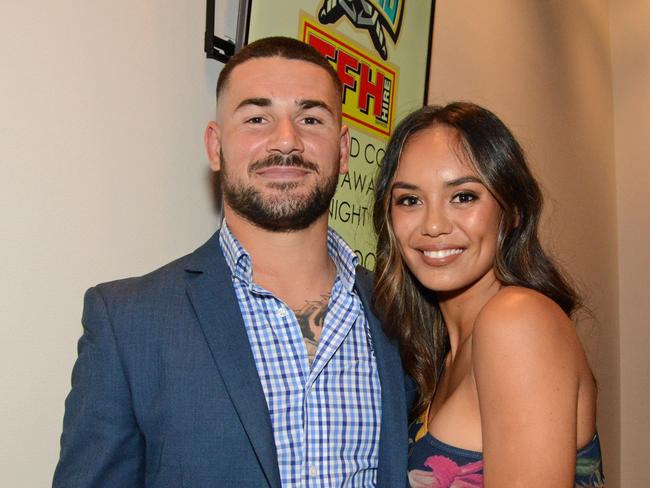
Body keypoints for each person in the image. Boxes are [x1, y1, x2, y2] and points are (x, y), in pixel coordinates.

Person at [53, 36, 412, 488]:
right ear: (215, 146)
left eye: (310, 118)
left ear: (342, 149)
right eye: (257, 118)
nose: (287, 139)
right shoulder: (128, 322)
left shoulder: (401, 311)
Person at [372, 102, 604, 487]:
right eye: (410, 200)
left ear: (511, 209)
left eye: (463, 196)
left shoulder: (516, 319)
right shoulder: (442, 358)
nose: (433, 225)